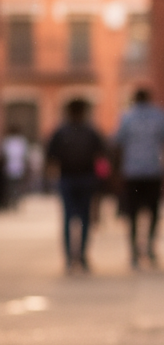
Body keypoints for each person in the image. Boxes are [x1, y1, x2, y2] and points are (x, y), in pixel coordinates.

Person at [114, 88, 164, 268]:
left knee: (132, 214)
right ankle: (150, 247)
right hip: (154, 171)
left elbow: (117, 144)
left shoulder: (126, 117)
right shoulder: (159, 116)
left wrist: (117, 171)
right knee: (154, 212)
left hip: (132, 173)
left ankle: (134, 251)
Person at [46, 99, 106, 272]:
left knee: (68, 219)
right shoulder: (91, 132)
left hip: (68, 179)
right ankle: (81, 256)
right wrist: (102, 181)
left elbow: (50, 157)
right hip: (85, 179)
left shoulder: (60, 132)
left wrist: (50, 178)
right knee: (84, 219)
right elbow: (101, 157)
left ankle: (70, 258)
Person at [2, 125, 30, 208]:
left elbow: (3, 155)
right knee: (17, 186)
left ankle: (12, 200)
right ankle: (16, 200)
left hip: (9, 167)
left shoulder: (7, 141)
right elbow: (25, 156)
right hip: (19, 167)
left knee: (11, 186)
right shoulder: (21, 141)